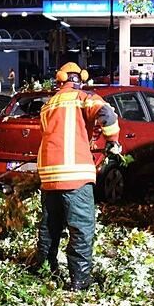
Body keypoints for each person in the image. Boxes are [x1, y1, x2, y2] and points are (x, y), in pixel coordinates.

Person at [34, 62, 121, 291]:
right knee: (81, 228)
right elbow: (107, 115)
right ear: (80, 79)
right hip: (75, 176)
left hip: (49, 177)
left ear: (60, 80)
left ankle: (44, 273)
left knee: (49, 227)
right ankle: (79, 281)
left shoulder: (48, 105)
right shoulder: (84, 98)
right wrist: (112, 142)